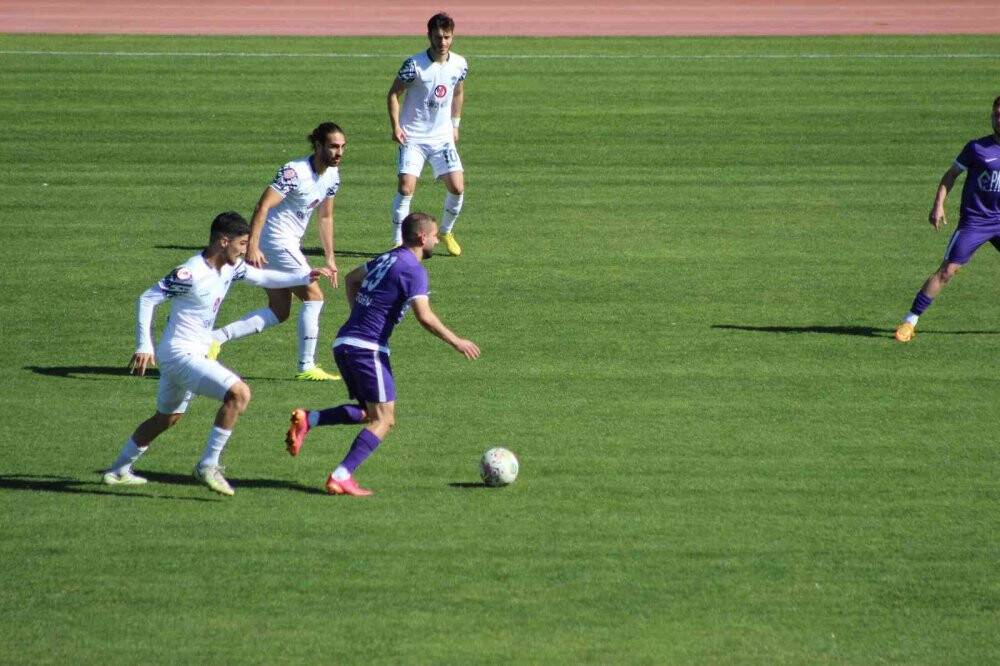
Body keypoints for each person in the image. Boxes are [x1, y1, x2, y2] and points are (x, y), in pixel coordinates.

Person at [102, 212, 334, 495]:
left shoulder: (230, 268)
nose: (246, 250)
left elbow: (264, 276)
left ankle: (118, 470)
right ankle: (208, 465)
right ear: (224, 241)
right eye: (242, 243)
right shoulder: (190, 273)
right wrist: (143, 345)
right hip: (180, 353)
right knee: (239, 394)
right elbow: (147, 298)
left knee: (167, 418)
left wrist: (304, 276)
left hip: (192, 353)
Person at [284, 212, 480, 496]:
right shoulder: (413, 270)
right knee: (384, 419)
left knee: (369, 412)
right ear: (422, 237)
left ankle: (309, 419)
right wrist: (457, 341)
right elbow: (424, 316)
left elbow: (351, 279)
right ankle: (341, 476)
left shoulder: (389, 257)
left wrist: (359, 315)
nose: (437, 241)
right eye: (434, 236)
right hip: (368, 348)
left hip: (345, 342)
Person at [208, 122, 345, 380]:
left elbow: (326, 217)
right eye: (333, 146)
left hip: (284, 244)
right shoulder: (294, 172)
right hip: (276, 242)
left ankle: (215, 339)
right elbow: (263, 206)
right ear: (318, 146)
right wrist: (253, 246)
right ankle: (306, 367)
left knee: (279, 310)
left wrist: (330, 258)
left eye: (342, 147)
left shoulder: (332, 176)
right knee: (314, 296)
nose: (339, 152)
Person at [895, 96, 1000, 342]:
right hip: (975, 222)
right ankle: (910, 321)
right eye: (997, 114)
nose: (999, 119)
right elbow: (951, 175)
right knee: (947, 271)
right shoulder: (977, 148)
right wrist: (939, 204)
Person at [387, 12, 468, 256]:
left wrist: (455, 124)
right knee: (406, 188)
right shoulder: (414, 65)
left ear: (452, 37)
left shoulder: (460, 64)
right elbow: (393, 94)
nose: (442, 42)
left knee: (457, 187)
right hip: (413, 137)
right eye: (438, 37)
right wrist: (396, 126)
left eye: (447, 37)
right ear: (429, 36)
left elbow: (457, 92)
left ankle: (445, 232)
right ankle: (398, 242)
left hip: (442, 138)